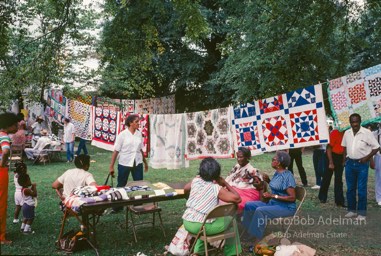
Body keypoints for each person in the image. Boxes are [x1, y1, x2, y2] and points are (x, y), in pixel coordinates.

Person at [182, 157, 242, 256]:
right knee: (231, 222)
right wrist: (225, 183)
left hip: (187, 221)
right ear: (216, 174)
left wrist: (190, 199)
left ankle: (198, 253)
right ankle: (232, 254)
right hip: (200, 226)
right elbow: (237, 199)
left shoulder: (196, 181)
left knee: (206, 222)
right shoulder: (215, 188)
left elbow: (185, 188)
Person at [242, 151, 296, 247]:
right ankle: (248, 232)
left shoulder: (288, 176)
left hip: (286, 207)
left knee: (260, 211)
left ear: (279, 163)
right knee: (249, 205)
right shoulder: (277, 173)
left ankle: (256, 241)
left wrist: (272, 196)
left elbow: (292, 198)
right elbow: (279, 188)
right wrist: (268, 181)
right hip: (274, 204)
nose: (272, 160)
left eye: (274, 159)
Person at [342, 113, 380, 220]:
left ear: (360, 121)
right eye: (352, 122)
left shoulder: (366, 133)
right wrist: (344, 160)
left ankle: (362, 213)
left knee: (362, 189)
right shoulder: (347, 133)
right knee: (350, 189)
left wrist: (367, 158)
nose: (355, 124)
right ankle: (352, 210)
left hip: (362, 164)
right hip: (349, 164)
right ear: (350, 123)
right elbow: (344, 147)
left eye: (356, 121)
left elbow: (376, 147)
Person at [109, 115, 148, 187]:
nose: (138, 123)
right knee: (121, 184)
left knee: (139, 185)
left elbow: (140, 149)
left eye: (138, 122)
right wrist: (111, 166)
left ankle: (138, 197)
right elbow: (116, 151)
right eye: (136, 122)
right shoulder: (122, 135)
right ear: (130, 123)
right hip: (124, 162)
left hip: (138, 163)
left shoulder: (139, 134)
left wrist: (145, 163)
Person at [225, 147, 265, 213]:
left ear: (247, 157)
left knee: (234, 203)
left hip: (247, 193)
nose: (238, 159)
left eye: (241, 157)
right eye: (238, 157)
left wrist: (261, 204)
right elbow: (229, 178)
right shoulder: (236, 167)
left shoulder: (252, 170)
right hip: (235, 191)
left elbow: (261, 186)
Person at [0, 112, 19, 245]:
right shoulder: (4, 136)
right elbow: (5, 150)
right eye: (16, 124)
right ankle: (1, 237)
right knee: (1, 204)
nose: (18, 126)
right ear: (9, 125)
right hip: (0, 172)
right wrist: (2, 164)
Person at [318, 129, 346, 207]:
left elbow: (344, 149)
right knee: (327, 178)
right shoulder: (335, 132)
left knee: (338, 179)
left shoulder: (347, 134)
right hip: (331, 156)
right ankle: (322, 197)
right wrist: (330, 162)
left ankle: (339, 201)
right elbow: (328, 148)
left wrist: (343, 160)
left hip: (340, 157)